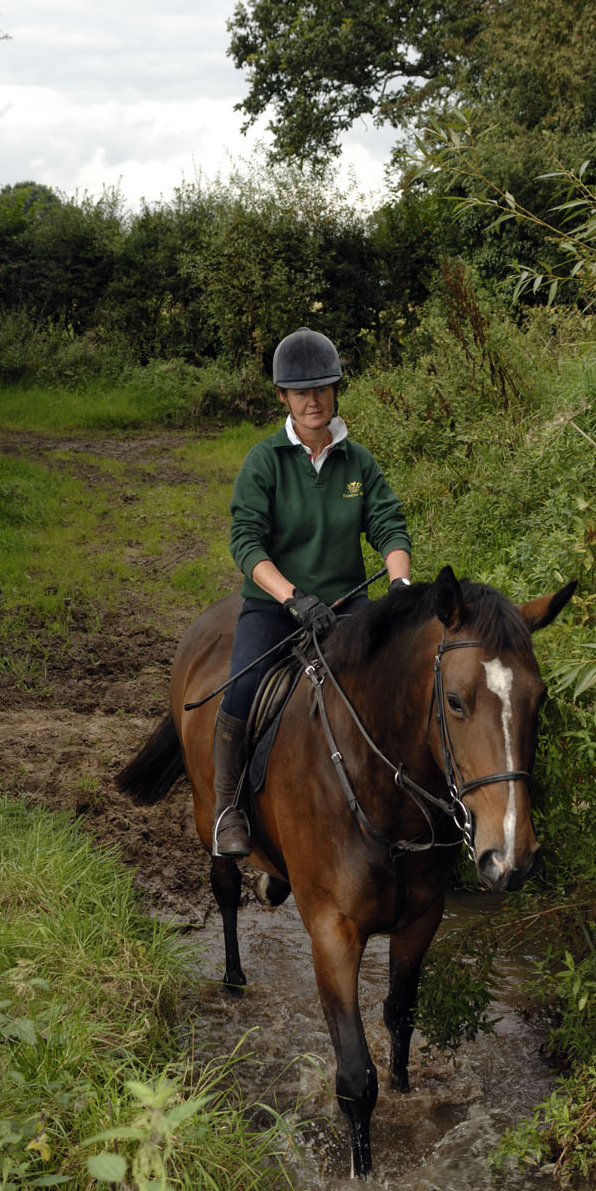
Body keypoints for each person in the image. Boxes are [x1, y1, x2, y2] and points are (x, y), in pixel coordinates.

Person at [212, 326, 412, 857]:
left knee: (399, 683)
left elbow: (388, 524)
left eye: (321, 388)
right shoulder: (264, 461)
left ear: (335, 390)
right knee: (242, 686)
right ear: (282, 397)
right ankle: (229, 808)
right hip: (277, 608)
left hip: (348, 610)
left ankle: (411, 804)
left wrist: (400, 582)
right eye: (300, 391)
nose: (312, 400)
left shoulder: (358, 462)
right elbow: (247, 544)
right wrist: (292, 596)